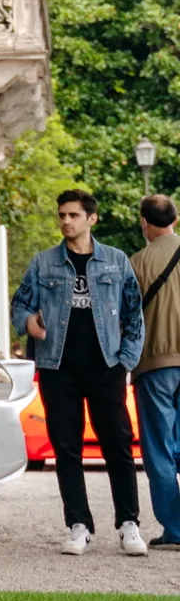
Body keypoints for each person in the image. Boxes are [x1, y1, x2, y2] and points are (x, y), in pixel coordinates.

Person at [11, 189, 146, 556]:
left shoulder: (116, 262)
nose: (66, 221)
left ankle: (128, 524)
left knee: (117, 445)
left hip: (106, 366)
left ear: (91, 219)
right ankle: (78, 524)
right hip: (58, 368)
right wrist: (29, 323)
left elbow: (134, 312)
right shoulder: (43, 263)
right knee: (66, 448)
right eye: (62, 215)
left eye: (73, 215)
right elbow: (19, 304)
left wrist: (126, 360)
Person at [130, 194, 180, 548]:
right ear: (175, 220)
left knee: (159, 450)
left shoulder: (137, 263)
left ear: (144, 223)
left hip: (155, 365)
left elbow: (126, 317)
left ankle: (176, 531)